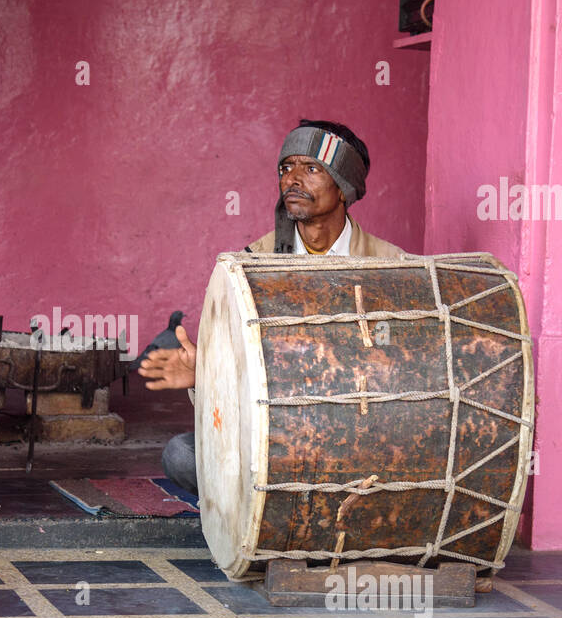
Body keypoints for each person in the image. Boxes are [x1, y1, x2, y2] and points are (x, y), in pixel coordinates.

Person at [140, 120, 405, 496]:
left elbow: (406, 371)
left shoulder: (391, 267)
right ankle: (297, 500)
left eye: (310, 169)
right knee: (182, 454)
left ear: (345, 187)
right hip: (271, 442)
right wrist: (204, 375)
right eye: (286, 168)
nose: (292, 180)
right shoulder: (251, 265)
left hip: (355, 442)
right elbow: (234, 379)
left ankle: (286, 502)